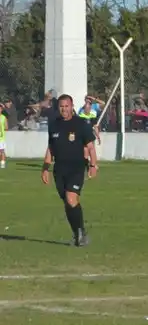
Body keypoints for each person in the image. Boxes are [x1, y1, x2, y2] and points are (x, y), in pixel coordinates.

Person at [41, 95, 99, 246]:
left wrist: (93, 165)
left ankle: (80, 233)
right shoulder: (54, 125)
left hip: (76, 168)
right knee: (68, 203)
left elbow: (91, 147)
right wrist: (45, 168)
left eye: (67, 106)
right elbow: (50, 148)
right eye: (61, 106)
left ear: (72, 106)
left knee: (71, 199)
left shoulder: (81, 124)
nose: (64, 109)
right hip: (59, 170)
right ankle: (78, 233)